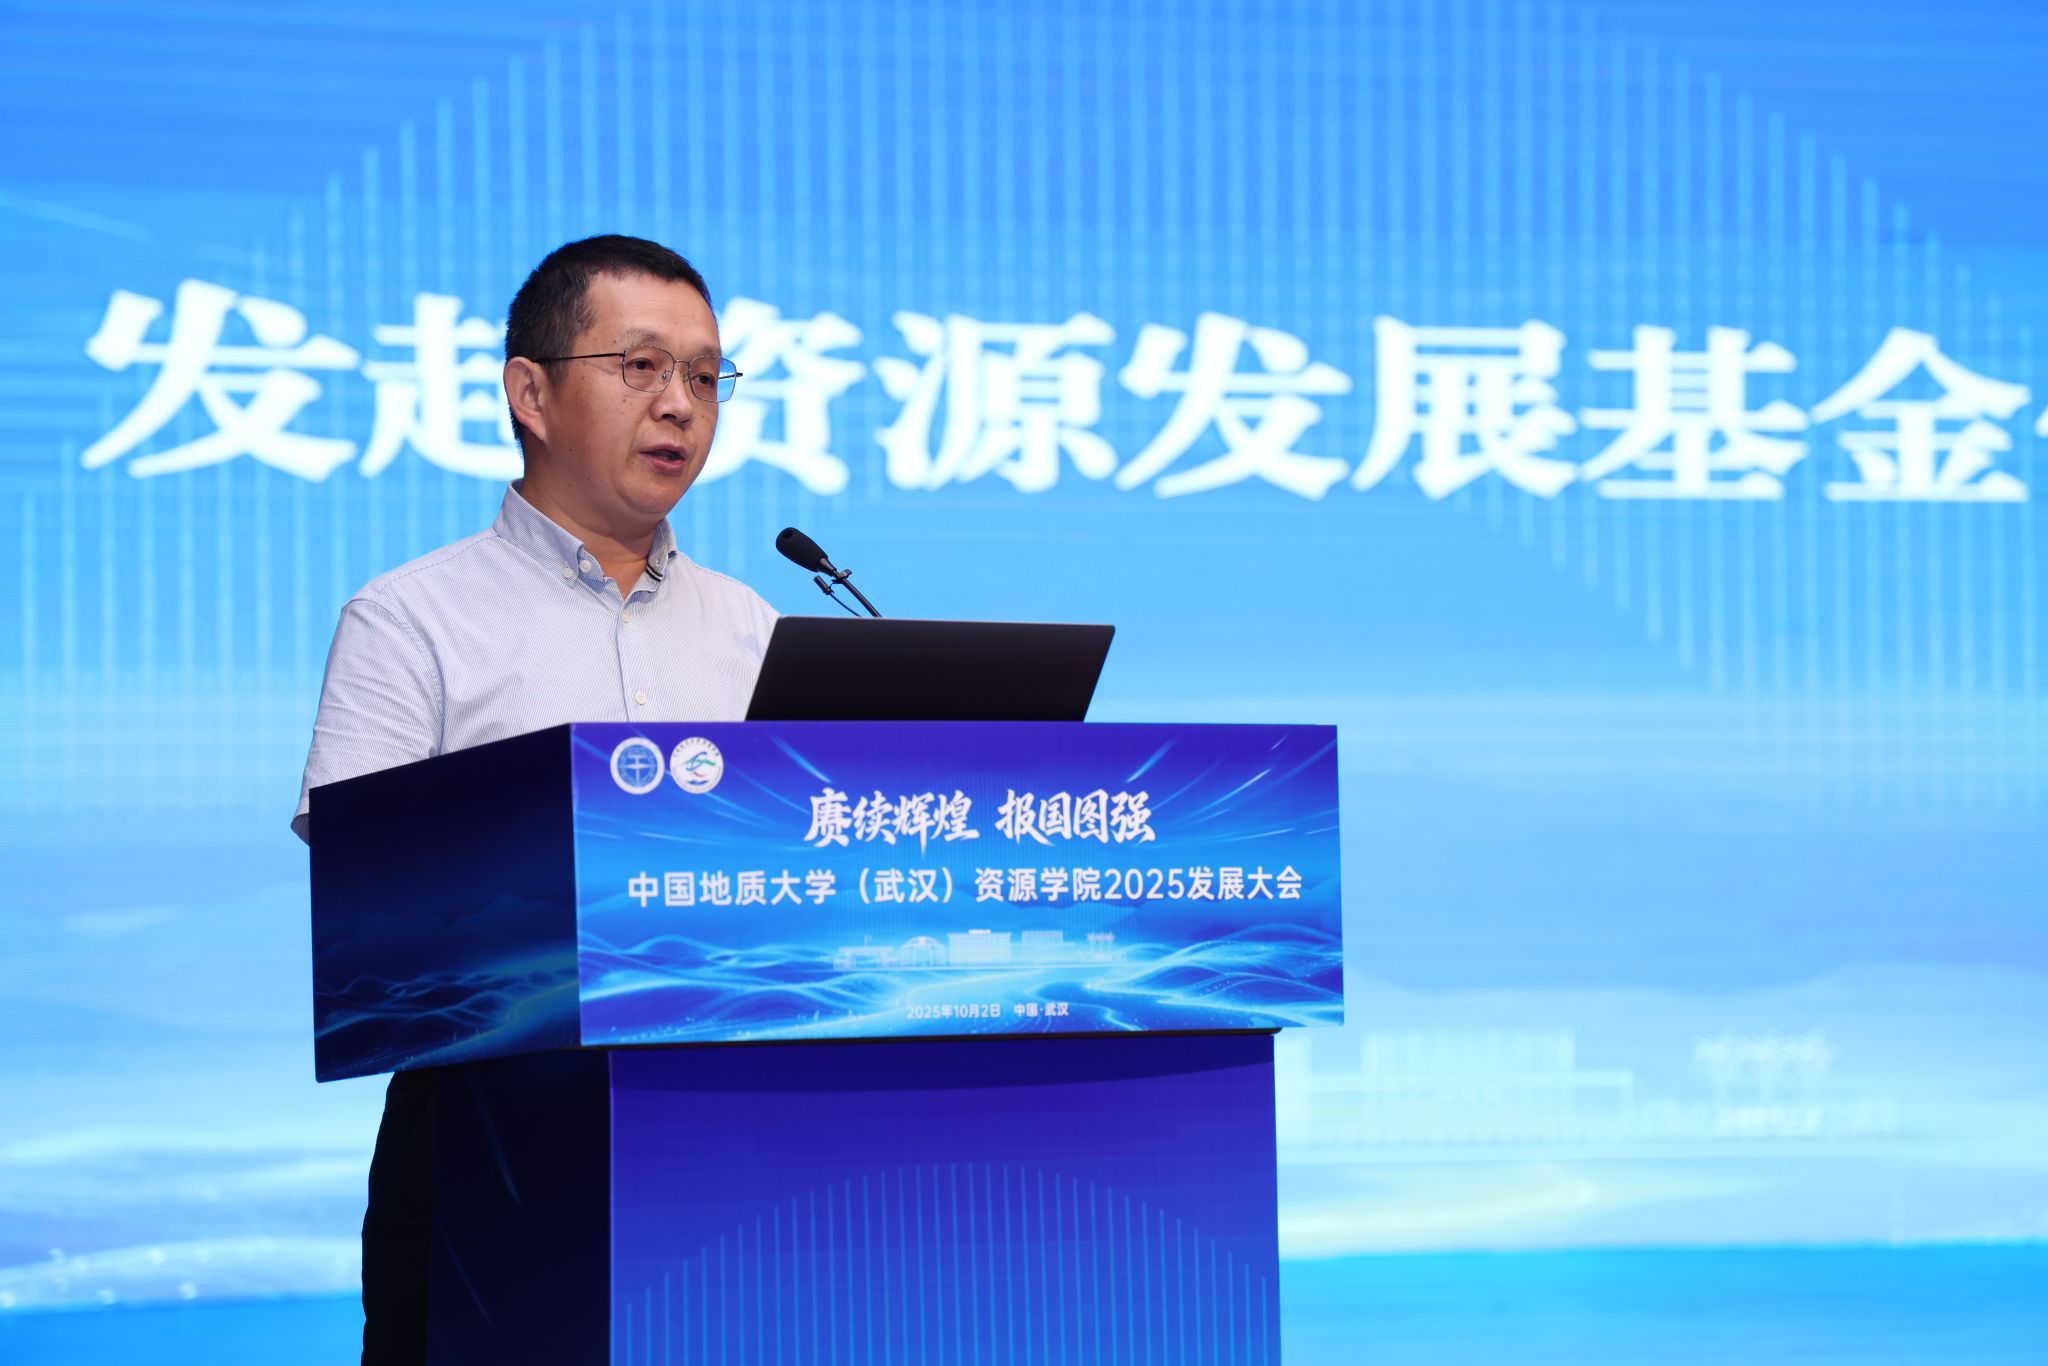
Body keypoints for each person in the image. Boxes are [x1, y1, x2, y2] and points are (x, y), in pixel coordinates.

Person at [292, 235, 775, 1365]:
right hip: (488, 1135)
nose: (681, 404)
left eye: (706, 376)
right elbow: (372, 898)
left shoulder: (752, 626)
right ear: (531, 393)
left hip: (728, 1127)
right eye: (641, 367)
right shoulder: (411, 619)